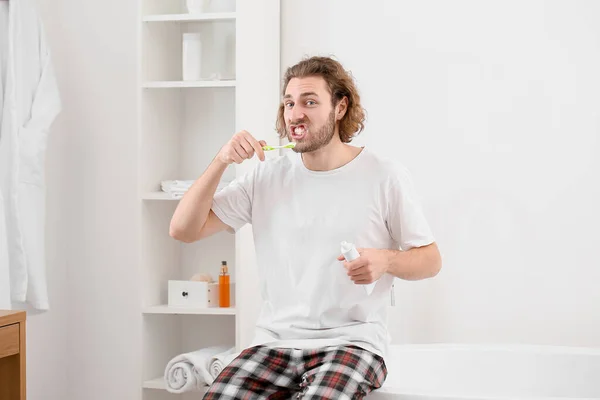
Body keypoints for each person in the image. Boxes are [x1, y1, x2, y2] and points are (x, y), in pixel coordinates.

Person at [170, 56, 442, 399]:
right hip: (273, 343)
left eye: (309, 102)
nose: (295, 113)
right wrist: (221, 161)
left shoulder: (383, 175)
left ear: (340, 108)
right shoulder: (265, 176)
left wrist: (386, 261)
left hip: (352, 344)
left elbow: (431, 259)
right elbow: (183, 229)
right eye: (289, 102)